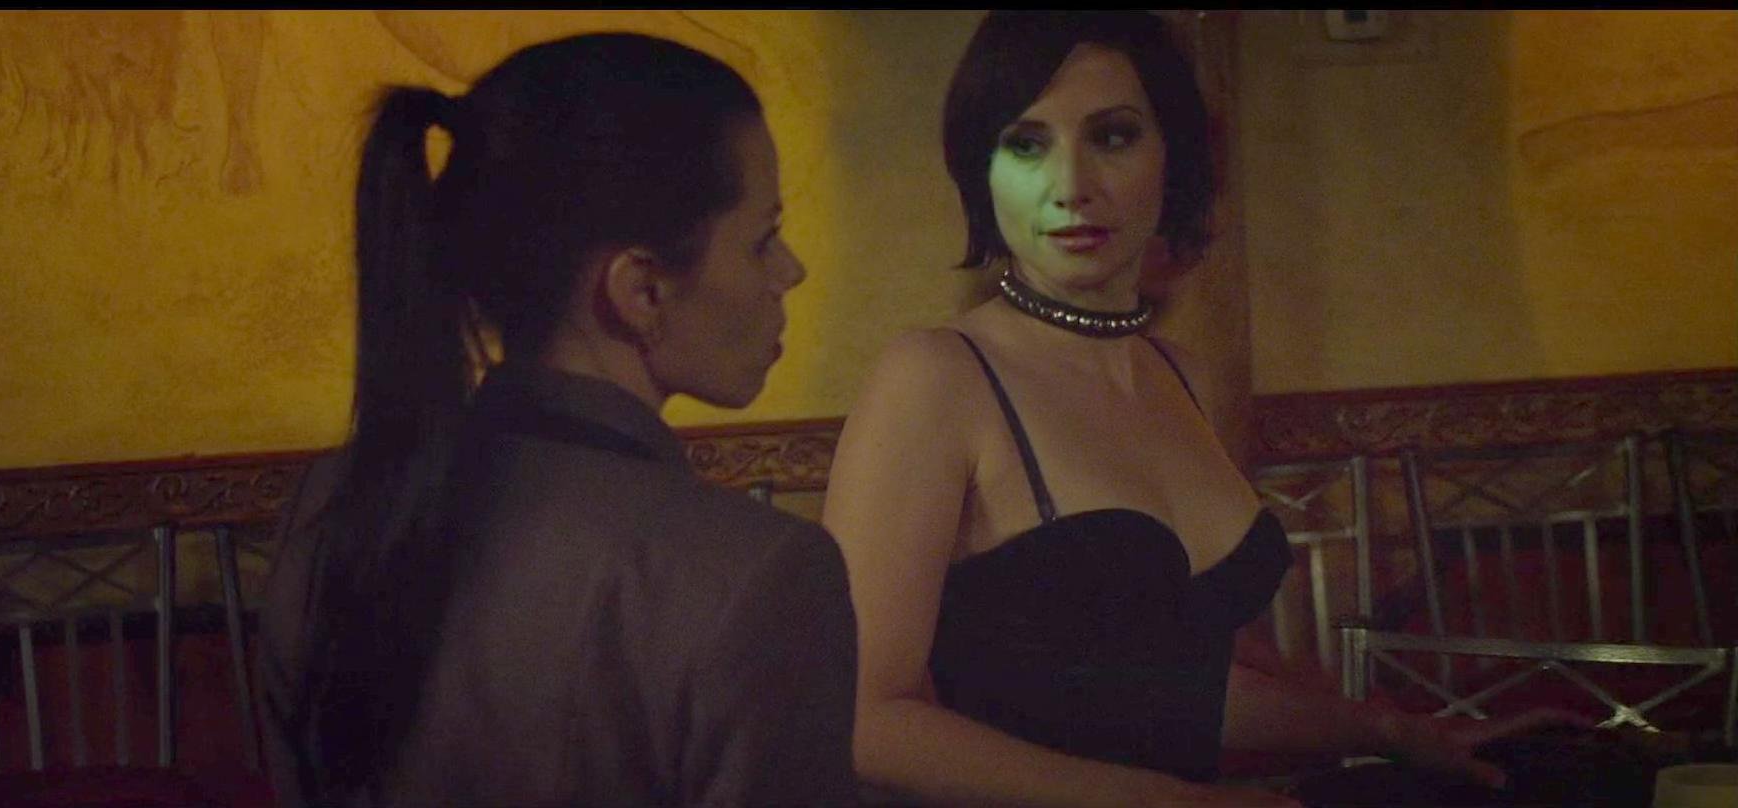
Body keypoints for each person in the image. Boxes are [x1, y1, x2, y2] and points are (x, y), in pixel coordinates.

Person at [820, 11, 1569, 807]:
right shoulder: (936, 375)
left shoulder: (1183, 377)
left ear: (1171, 155)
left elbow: (1192, 689)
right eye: (1026, 144)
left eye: (1112, 137)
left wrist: (1394, 731)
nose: (1071, 186)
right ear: (981, 168)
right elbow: (862, 721)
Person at [256, 32, 856, 807]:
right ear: (641, 291)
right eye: (763, 239)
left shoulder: (330, 507)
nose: (790, 272)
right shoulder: (760, 574)